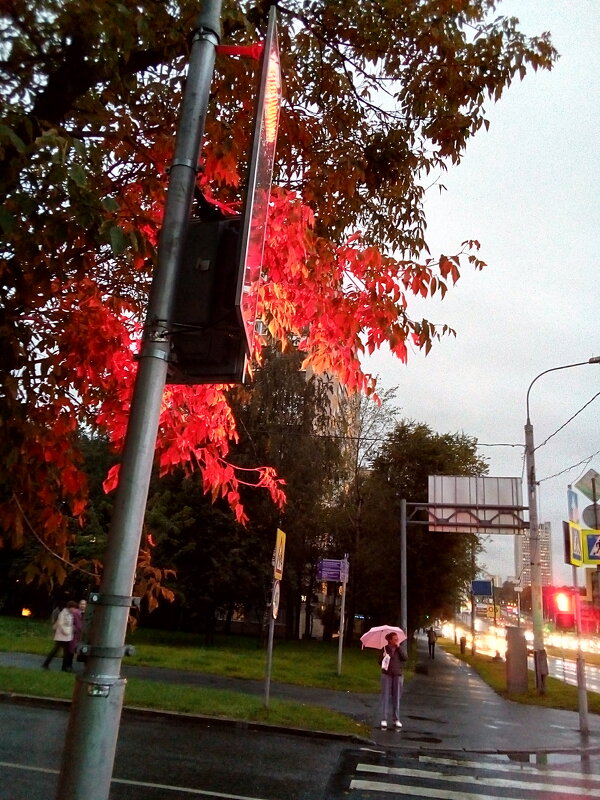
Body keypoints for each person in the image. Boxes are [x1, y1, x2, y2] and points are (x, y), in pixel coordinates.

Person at [379, 631, 408, 729]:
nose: (396, 640)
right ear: (390, 640)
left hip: (397, 675)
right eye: (394, 639)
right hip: (387, 675)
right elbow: (380, 662)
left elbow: (405, 658)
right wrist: (383, 657)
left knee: (396, 698)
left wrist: (399, 647)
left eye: (397, 639)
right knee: (385, 697)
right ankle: (384, 719)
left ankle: (396, 719)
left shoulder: (399, 649)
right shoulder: (385, 649)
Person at [42, 601, 77, 671]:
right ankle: (47, 664)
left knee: (64, 652)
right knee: (58, 651)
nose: (74, 610)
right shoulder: (63, 614)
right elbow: (60, 624)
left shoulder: (70, 614)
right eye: (73, 608)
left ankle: (62, 667)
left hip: (67, 637)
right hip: (61, 636)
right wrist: (67, 631)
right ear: (70, 607)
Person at [70, 599, 87, 664]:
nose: (83, 606)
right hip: (75, 633)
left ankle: (82, 661)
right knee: (72, 648)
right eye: (81, 604)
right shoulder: (75, 612)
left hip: (84, 634)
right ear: (79, 605)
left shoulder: (88, 613)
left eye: (84, 604)